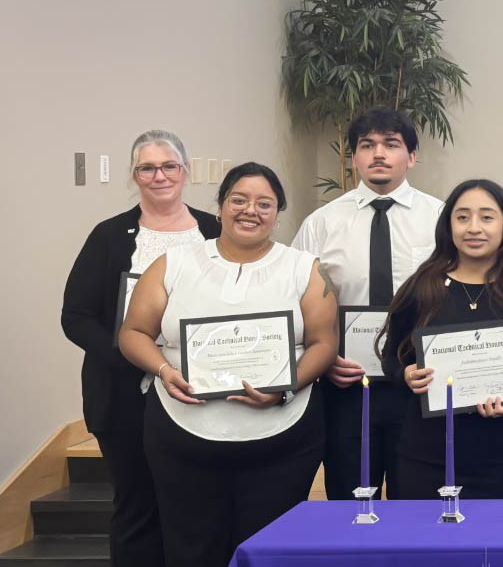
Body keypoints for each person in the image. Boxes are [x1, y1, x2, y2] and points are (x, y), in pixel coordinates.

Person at [117, 163, 337, 567]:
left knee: (270, 550)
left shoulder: (304, 267)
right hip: (183, 437)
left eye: (264, 203)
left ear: (277, 212)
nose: (250, 210)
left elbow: (324, 343)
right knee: (190, 549)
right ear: (220, 206)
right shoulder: (174, 263)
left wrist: (285, 386)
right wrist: (164, 371)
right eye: (238, 199)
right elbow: (133, 332)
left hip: (282, 439)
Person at [61, 130, 220, 567]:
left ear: (185, 171)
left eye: (169, 165)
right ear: (134, 176)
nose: (159, 176)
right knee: (136, 509)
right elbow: (75, 317)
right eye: (147, 168)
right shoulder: (109, 236)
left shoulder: (215, 230)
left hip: (201, 394)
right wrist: (134, 354)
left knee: (195, 507)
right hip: (122, 396)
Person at [292, 109, 443, 501]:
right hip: (347, 386)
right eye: (367, 145)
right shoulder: (321, 224)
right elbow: (295, 303)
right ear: (353, 157)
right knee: (351, 497)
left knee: (420, 499)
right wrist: (321, 360)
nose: (379, 154)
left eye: (391, 145)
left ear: (411, 156)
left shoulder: (441, 219)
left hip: (421, 385)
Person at [382, 179, 503, 499]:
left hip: (502, 457)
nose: (474, 228)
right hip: (426, 456)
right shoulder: (422, 287)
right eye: (462, 217)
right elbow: (391, 359)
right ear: (448, 226)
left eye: (487, 217)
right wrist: (405, 375)